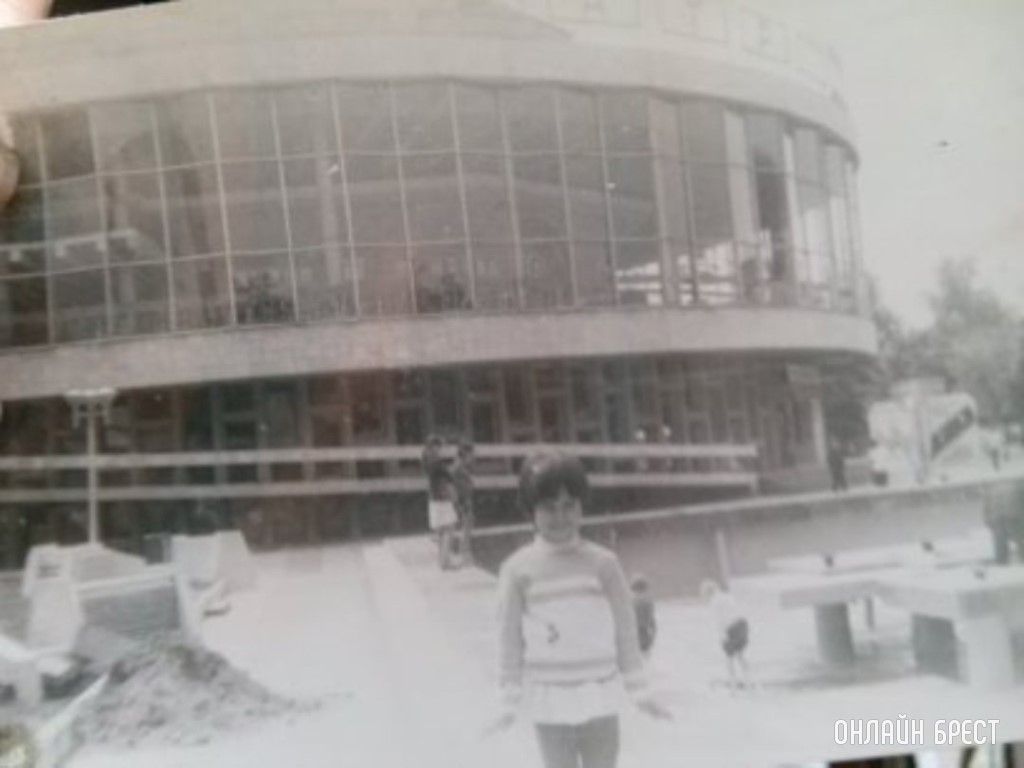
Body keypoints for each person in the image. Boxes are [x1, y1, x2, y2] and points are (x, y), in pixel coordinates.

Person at [491, 451, 671, 768]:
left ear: (581, 506)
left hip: (599, 690)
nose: (560, 517)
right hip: (549, 696)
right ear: (530, 510)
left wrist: (639, 690)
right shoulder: (516, 569)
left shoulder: (604, 564)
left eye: (569, 506)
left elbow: (625, 629)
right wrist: (508, 699)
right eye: (549, 508)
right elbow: (509, 637)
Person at [700, 579, 750, 690]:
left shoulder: (714, 602)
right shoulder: (727, 596)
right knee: (740, 654)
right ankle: (748, 679)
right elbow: (738, 610)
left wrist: (723, 637)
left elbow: (720, 621)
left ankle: (733, 681)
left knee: (729, 657)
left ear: (709, 592)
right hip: (743, 624)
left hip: (731, 628)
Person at [423, 435, 458, 570]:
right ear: (434, 446)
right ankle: (445, 562)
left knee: (441, 531)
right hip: (442, 497)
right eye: (439, 447)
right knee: (449, 528)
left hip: (433, 497)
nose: (440, 450)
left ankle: (442, 561)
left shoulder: (426, 459)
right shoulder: (436, 462)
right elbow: (449, 476)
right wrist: (453, 467)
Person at [983, 478, 1024, 565]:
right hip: (1011, 516)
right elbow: (987, 505)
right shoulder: (1017, 485)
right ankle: (1004, 561)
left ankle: (1002, 561)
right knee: (1019, 539)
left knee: (1002, 542)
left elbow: (986, 505)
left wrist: (987, 519)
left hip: (1002, 517)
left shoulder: (991, 488)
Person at [452, 438, 476, 566]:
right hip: (463, 501)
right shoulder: (458, 468)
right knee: (465, 527)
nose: (473, 457)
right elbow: (458, 488)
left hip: (465, 500)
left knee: (467, 526)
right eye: (471, 454)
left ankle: (465, 553)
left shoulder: (461, 467)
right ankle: (464, 554)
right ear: (466, 453)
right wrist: (463, 504)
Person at [631, 574, 656, 657]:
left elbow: (651, 620)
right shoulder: (647, 601)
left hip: (638, 633)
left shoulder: (631, 601)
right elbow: (651, 621)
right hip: (642, 633)